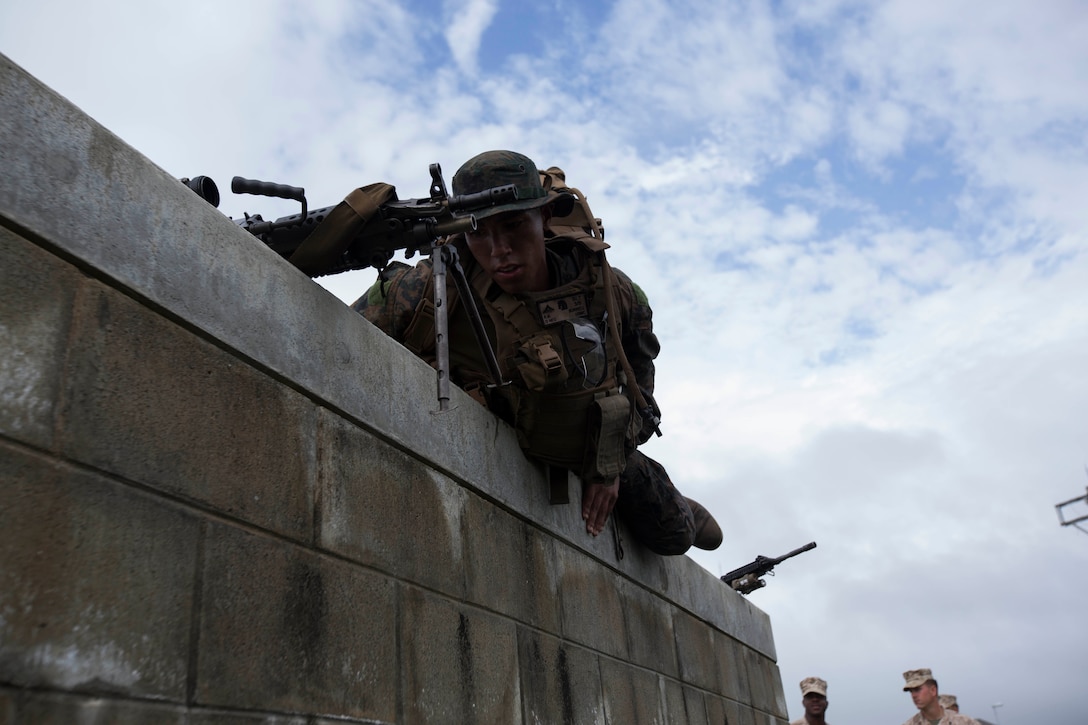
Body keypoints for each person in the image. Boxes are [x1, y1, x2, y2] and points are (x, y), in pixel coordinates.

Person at [354, 150, 722, 555]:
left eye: (513, 226)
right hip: (503, 438)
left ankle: (680, 502)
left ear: (544, 217)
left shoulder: (610, 291)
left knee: (675, 535)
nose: (499, 250)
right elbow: (343, 342)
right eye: (479, 232)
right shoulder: (431, 287)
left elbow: (640, 393)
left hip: (585, 442)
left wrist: (611, 460)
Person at [900, 669, 977, 725]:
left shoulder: (964, 722)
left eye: (917, 690)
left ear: (933, 690)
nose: (913, 695)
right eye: (911, 691)